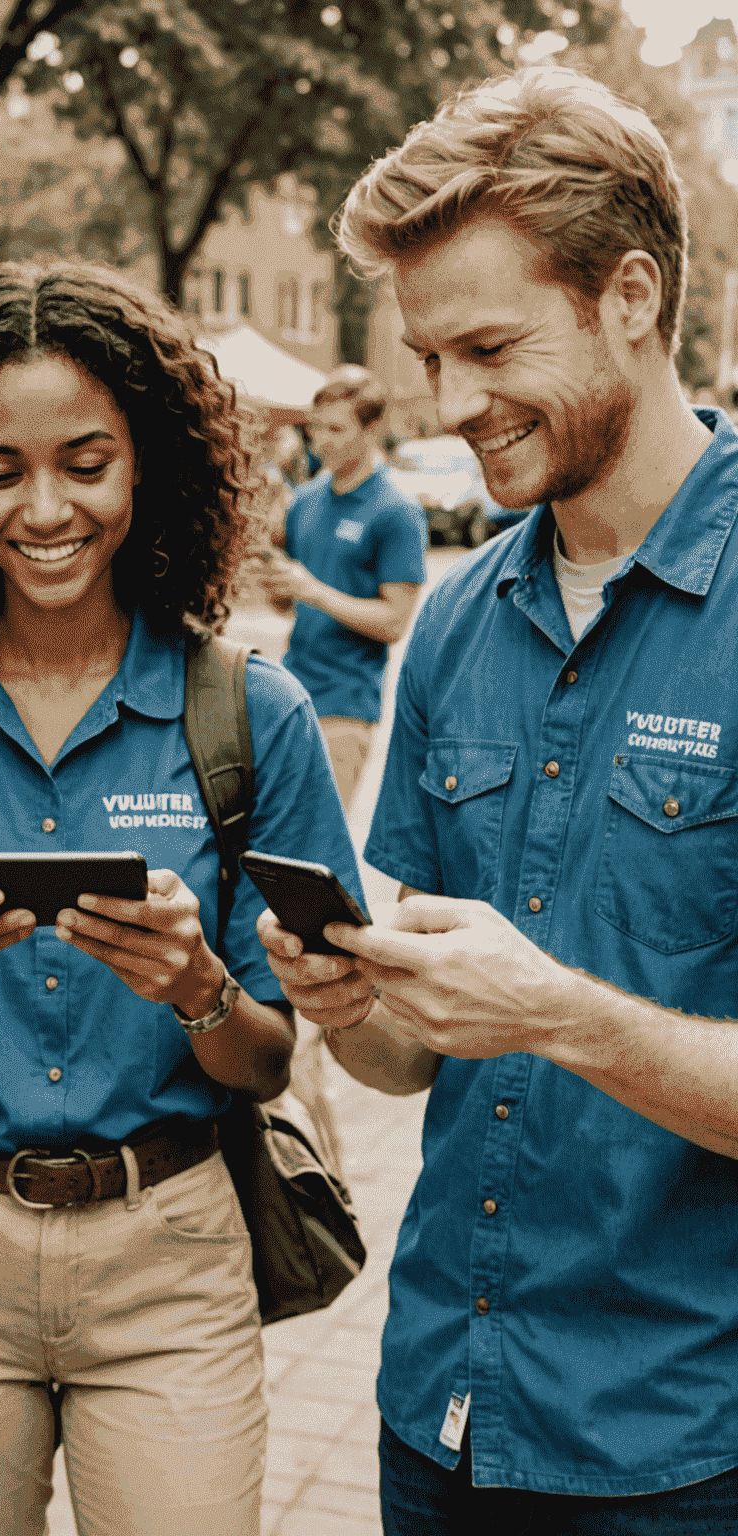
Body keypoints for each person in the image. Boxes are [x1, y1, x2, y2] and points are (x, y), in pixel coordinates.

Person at [0, 259, 364, 1536]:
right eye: (0, 470)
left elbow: (268, 1065)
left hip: (173, 1255)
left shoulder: (250, 716)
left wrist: (198, 987)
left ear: (147, 465)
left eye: (86, 463)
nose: (44, 509)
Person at [261, 66, 738, 1532]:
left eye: (488, 347)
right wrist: (355, 1002)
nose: (454, 405)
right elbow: (422, 1062)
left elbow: (538, 1020)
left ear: (633, 296)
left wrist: (561, 1015)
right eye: (427, 358)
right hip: (441, 1418)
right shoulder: (465, 618)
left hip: (681, 1448)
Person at [263, 366, 428, 808]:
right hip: (290, 692)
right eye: (316, 428)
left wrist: (312, 589)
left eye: (337, 429)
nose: (322, 441)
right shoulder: (306, 499)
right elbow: (288, 602)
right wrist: (276, 580)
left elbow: (394, 621)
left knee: (320, 853)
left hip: (347, 705)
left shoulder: (396, 510)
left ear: (372, 428)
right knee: (273, 840)